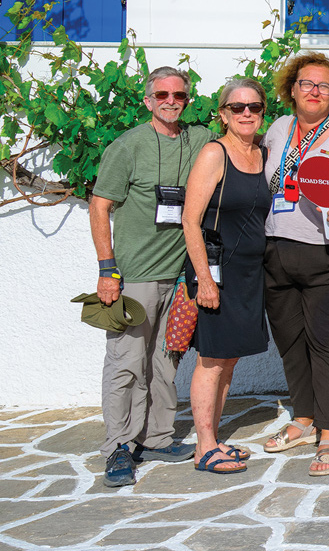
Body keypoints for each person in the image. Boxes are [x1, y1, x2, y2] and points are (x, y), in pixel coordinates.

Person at [89, 66, 211, 487]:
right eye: (162, 95)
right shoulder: (128, 146)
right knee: (126, 363)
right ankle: (119, 447)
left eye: (178, 95)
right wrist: (108, 271)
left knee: (165, 361)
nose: (171, 101)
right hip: (135, 275)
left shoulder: (199, 140)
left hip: (178, 276)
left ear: (188, 99)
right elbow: (99, 206)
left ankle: (157, 436)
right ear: (148, 100)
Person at [259, 53, 329, 477]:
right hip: (276, 250)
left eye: (323, 85)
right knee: (290, 341)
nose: (315, 91)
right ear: (292, 88)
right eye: (307, 84)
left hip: (326, 253)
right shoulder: (277, 129)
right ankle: (303, 419)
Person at [181, 79, 272, 476]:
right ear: (223, 114)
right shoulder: (214, 153)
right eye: (237, 108)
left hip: (250, 273)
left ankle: (213, 438)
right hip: (216, 272)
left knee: (229, 360)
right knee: (212, 361)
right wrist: (204, 279)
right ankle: (204, 448)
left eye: (254, 106)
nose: (246, 113)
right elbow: (190, 220)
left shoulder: (263, 154)